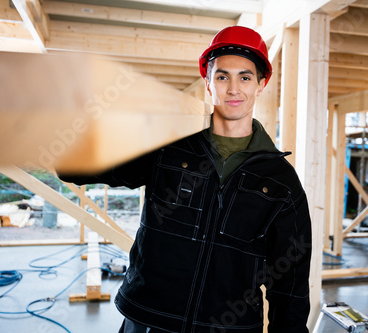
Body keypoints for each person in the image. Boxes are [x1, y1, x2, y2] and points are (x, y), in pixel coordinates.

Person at [59, 26, 312, 333]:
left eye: (244, 77)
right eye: (222, 76)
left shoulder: (281, 181)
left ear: (261, 83)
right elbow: (76, 168)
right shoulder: (167, 147)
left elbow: (291, 282)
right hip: (150, 319)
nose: (234, 88)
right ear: (208, 83)